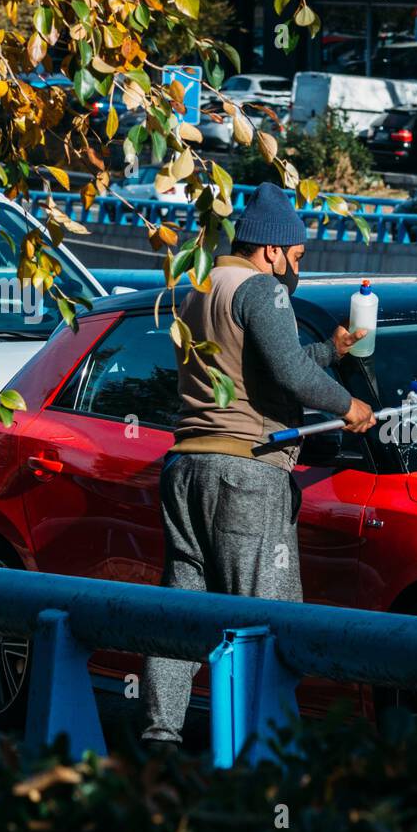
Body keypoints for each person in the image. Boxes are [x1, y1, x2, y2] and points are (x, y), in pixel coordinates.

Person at [143, 181, 376, 748]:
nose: (296, 269)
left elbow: (265, 364)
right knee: (266, 617)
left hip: (185, 467)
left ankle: (160, 736)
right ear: (272, 249)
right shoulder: (263, 290)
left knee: (183, 610)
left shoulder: (199, 287)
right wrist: (351, 406)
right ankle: (267, 750)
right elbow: (293, 379)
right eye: (296, 257)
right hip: (246, 469)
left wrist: (333, 353)